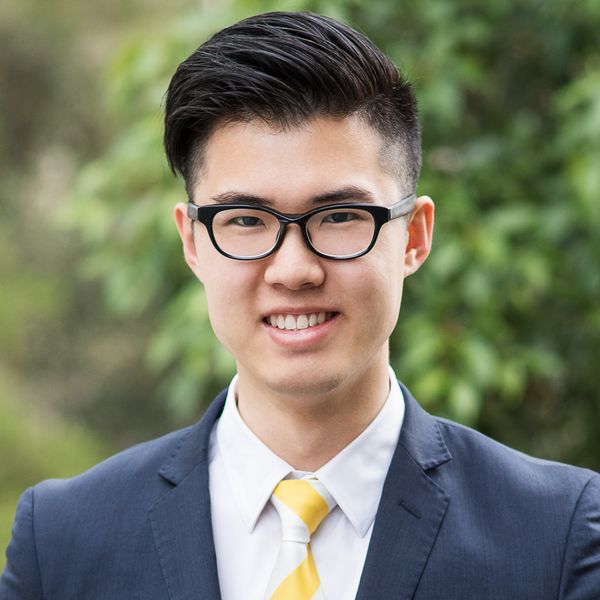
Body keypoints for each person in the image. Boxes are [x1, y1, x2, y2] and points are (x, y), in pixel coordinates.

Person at [1, 10, 599, 600]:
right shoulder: (61, 542)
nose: (293, 271)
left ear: (414, 236)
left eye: (339, 216)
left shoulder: (557, 536)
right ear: (193, 242)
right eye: (246, 220)